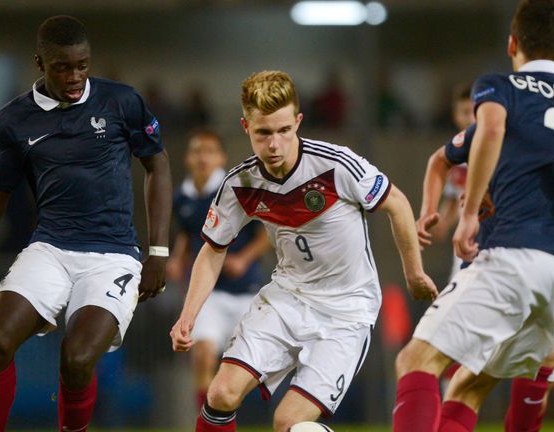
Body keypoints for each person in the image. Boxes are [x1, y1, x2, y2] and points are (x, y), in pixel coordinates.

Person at [0, 15, 172, 432]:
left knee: (76, 360)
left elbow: (158, 165)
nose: (75, 76)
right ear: (39, 63)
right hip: (51, 248)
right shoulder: (12, 121)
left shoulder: (121, 101)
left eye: (83, 65)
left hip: (113, 256)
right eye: (63, 67)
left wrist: (158, 251)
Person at [393, 1, 554, 430]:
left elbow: (494, 128)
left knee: (415, 360)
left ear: (512, 43)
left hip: (514, 256)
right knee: (470, 387)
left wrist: (467, 213)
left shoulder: (502, 88)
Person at [170, 70, 437, 432]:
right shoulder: (239, 184)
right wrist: (188, 315)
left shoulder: (337, 165)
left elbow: (399, 204)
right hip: (287, 298)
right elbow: (212, 249)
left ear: (298, 122)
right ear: (246, 126)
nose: (275, 145)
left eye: (284, 130)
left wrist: (414, 273)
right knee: (220, 394)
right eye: (264, 133)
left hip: (346, 311)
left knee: (288, 422)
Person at [166, 129, 269, 410]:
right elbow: (187, 234)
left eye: (209, 151)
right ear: (188, 158)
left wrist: (243, 259)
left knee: (254, 369)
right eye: (197, 151)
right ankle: (208, 420)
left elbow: (265, 235)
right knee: (202, 356)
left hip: (246, 291)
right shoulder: (182, 198)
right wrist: (178, 259)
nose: (203, 158)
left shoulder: (236, 191)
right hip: (210, 294)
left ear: (221, 157)